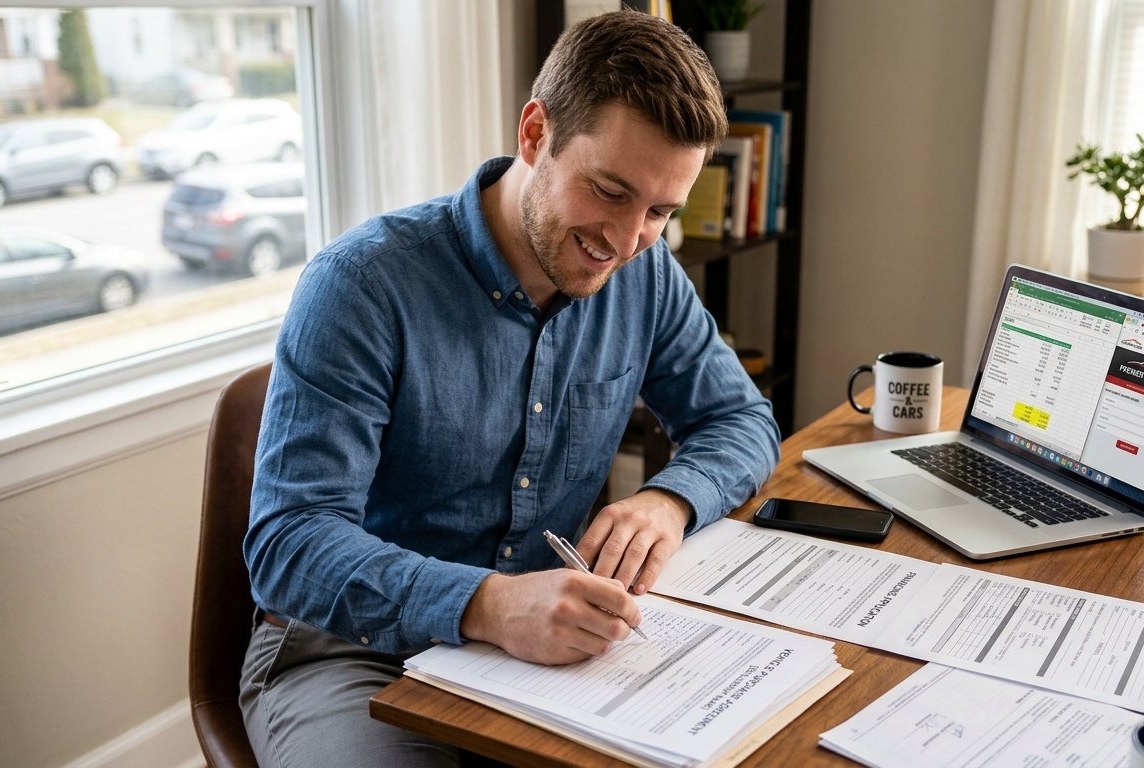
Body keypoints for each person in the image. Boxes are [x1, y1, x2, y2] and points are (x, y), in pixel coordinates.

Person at [239, 10, 780, 767]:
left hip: (544, 645)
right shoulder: (361, 286)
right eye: (610, 192)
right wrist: (487, 604)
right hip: (351, 652)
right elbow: (289, 545)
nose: (626, 243)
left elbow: (741, 420)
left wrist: (671, 499)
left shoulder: (646, 276)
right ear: (534, 134)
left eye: (660, 212)